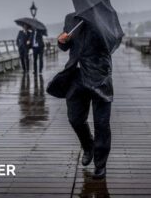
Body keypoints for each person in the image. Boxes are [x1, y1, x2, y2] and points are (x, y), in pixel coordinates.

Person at [56, 13, 113, 179]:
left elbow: (111, 44)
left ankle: (100, 165)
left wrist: (97, 27)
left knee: (101, 123)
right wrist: (61, 40)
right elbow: (65, 46)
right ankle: (88, 146)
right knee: (74, 118)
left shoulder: (104, 20)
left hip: (99, 77)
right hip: (77, 75)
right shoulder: (70, 19)